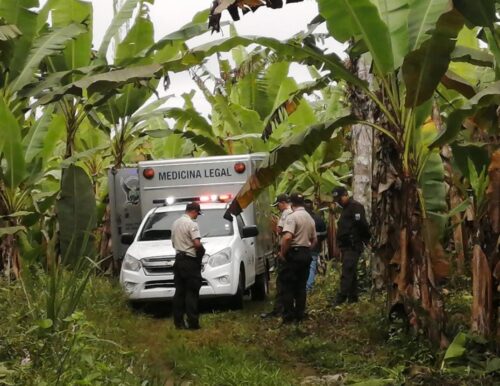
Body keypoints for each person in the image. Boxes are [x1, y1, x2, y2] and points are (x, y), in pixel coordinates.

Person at [279, 192, 317, 323]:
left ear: (291, 203)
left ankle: (288, 316)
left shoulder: (292, 217)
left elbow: (288, 237)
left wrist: (283, 253)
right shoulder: (310, 218)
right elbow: (314, 240)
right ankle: (300, 315)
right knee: (301, 286)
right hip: (305, 254)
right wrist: (306, 250)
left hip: (294, 254)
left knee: (288, 285)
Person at [331, 187, 371, 306]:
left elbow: (362, 224)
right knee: (351, 271)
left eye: (340, 198)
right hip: (346, 245)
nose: (338, 201)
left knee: (347, 270)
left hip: (353, 245)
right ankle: (353, 298)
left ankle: (341, 297)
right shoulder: (345, 209)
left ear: (346, 195)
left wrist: (366, 239)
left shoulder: (355, 207)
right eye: (336, 199)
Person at [171, 202, 206, 330]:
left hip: (178, 260)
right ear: (194, 211)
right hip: (190, 261)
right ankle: (193, 323)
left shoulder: (175, 223)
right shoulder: (192, 224)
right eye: (197, 213)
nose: (197, 216)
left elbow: (173, 243)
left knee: (179, 292)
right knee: (192, 292)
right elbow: (196, 243)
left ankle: (178, 323)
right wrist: (202, 250)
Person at [260, 193, 293, 319]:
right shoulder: (292, 213)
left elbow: (279, 231)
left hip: (285, 250)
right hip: (290, 251)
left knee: (282, 282)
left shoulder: (286, 214)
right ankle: (283, 309)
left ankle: (280, 309)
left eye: (277, 205)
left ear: (282, 203)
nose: (277, 208)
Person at [304, 199, 327, 292]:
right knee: (312, 267)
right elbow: (325, 233)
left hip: (302, 247)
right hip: (315, 246)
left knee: (303, 267)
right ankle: (308, 287)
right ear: (312, 206)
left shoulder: (299, 218)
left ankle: (304, 287)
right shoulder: (318, 218)